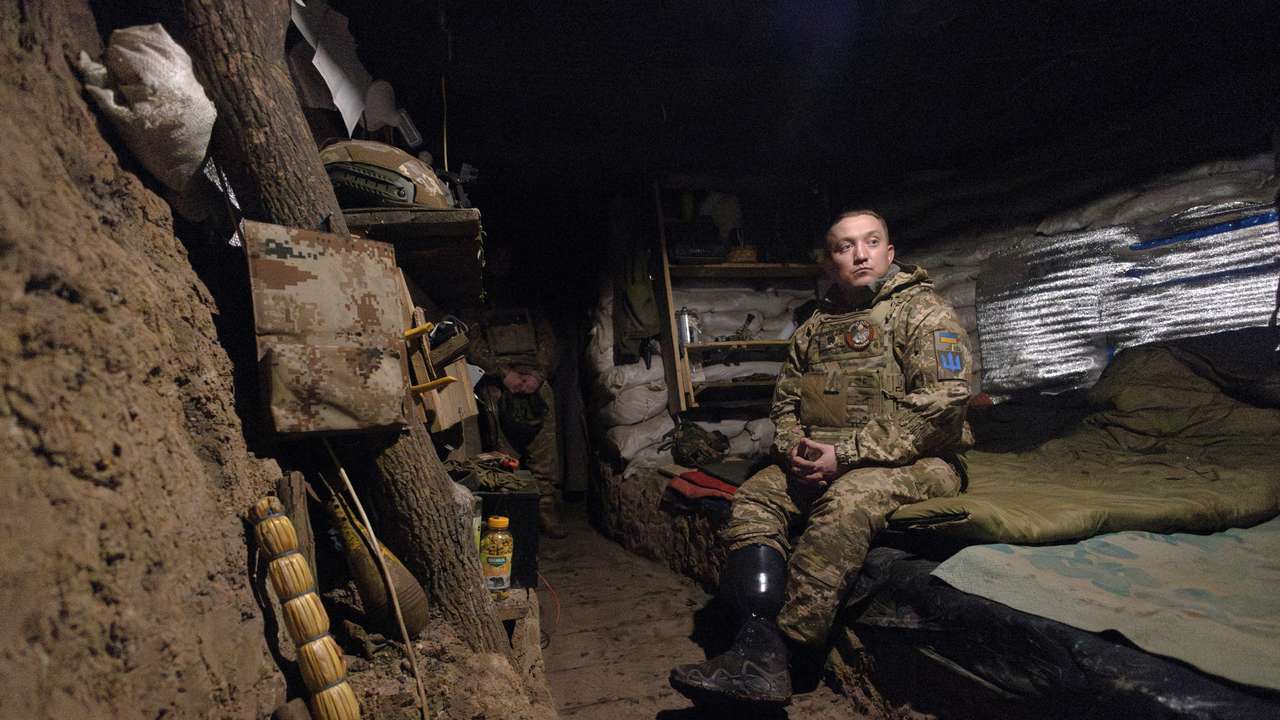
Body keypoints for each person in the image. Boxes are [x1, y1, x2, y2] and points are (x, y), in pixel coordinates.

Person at [669, 210, 974, 705]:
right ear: (830, 262)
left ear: (889, 253)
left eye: (871, 242)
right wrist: (795, 452)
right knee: (757, 496)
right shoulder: (816, 326)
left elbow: (942, 407)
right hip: (826, 456)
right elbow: (786, 402)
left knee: (849, 501)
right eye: (845, 246)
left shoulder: (924, 313)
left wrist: (847, 456)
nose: (859, 254)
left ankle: (786, 651)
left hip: (917, 461)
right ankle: (754, 637)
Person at [471, 307, 568, 539]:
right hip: (498, 384)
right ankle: (508, 515)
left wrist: (538, 375)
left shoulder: (532, 310)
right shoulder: (480, 313)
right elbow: (472, 346)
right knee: (503, 457)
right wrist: (503, 374)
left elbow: (549, 344)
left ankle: (545, 509)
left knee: (545, 454)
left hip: (535, 381)